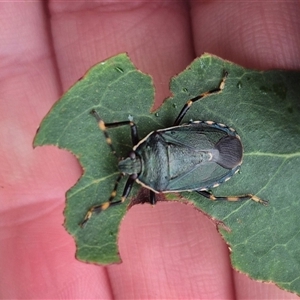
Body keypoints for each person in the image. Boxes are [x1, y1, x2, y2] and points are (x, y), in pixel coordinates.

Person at [1, 1, 299, 299]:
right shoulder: (154, 140)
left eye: (127, 157)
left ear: (139, 148)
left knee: (209, 186)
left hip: (191, 171)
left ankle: (248, 194)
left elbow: (120, 194)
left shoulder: (154, 169)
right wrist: (105, 131)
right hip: (200, 145)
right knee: (188, 106)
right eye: (130, 159)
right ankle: (245, 186)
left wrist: (104, 132)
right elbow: (131, 130)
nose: (126, 161)